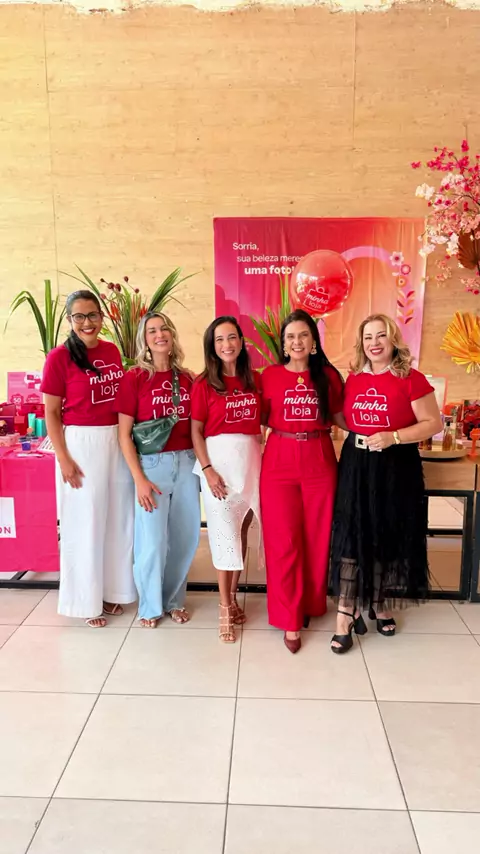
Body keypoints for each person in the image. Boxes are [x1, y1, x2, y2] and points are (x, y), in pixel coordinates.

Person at [330, 313, 442, 654]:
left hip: (395, 465)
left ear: (393, 339)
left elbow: (432, 423)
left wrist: (393, 436)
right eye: (368, 337)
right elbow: (341, 416)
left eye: (381, 336)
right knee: (351, 534)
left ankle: (378, 603)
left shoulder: (411, 378)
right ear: (361, 344)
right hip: (356, 464)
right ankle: (345, 613)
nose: (374, 343)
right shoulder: (354, 378)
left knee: (385, 534)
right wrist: (358, 433)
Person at [41, 290, 136, 627]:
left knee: (117, 519)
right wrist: (64, 458)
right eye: (79, 316)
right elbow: (52, 413)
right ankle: (84, 601)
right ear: (70, 320)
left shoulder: (110, 352)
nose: (86, 322)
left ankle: (112, 591)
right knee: (85, 523)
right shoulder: (59, 358)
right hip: (81, 444)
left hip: (115, 441)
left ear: (101, 317)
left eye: (92, 315)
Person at [259, 309, 344, 654]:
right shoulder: (269, 376)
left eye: (303, 335)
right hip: (279, 459)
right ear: (283, 344)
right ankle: (289, 618)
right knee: (284, 540)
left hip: (319, 458)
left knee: (317, 537)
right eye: (291, 337)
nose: (297, 342)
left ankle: (309, 603)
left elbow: (340, 416)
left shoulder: (328, 377)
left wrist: (381, 431)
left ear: (313, 342)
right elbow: (258, 421)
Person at [116, 312, 200, 628]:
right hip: (152, 466)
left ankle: (174, 600)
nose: (159, 334)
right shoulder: (135, 378)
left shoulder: (189, 379)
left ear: (172, 335)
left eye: (164, 328)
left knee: (184, 538)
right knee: (151, 540)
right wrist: (139, 479)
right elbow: (124, 434)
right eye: (152, 331)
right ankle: (150, 606)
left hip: (187, 463)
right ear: (145, 340)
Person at [191, 316, 261, 644]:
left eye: (232, 337)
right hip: (218, 467)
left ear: (241, 342)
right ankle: (223, 606)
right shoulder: (204, 383)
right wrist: (208, 469)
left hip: (249, 464)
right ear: (212, 346)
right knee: (223, 536)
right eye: (219, 340)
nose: (226, 345)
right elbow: (195, 431)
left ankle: (233, 599)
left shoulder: (254, 380)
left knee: (240, 533)